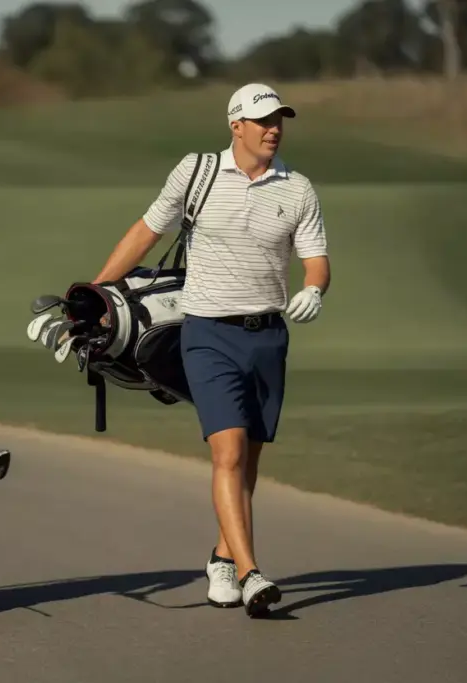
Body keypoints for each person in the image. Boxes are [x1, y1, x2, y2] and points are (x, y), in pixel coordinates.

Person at [91, 83, 330, 617]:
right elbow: (146, 232)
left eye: (280, 120)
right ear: (236, 125)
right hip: (207, 334)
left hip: (268, 336)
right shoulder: (197, 172)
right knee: (227, 451)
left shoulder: (298, 188)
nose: (274, 128)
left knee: (250, 457)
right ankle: (250, 573)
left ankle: (222, 560)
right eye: (264, 120)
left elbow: (316, 257)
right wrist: (94, 291)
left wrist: (314, 287)